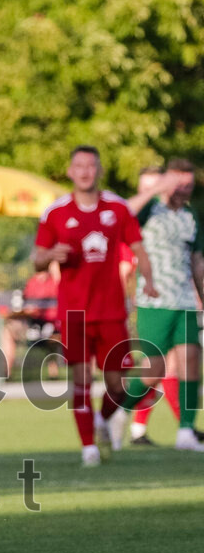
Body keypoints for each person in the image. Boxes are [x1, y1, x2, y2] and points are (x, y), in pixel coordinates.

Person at [34, 145, 156, 467]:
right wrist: (49, 256)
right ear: (70, 171)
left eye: (91, 165)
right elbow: (36, 258)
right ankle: (88, 446)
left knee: (118, 386)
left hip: (112, 311)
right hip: (73, 313)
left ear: (99, 170)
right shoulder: (55, 212)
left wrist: (151, 281)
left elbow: (139, 247)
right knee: (81, 381)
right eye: (79, 166)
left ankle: (101, 421)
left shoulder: (117, 208)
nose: (86, 171)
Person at [114, 159, 204, 452]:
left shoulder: (190, 215)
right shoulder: (150, 209)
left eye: (188, 186)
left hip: (184, 301)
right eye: (179, 184)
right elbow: (120, 212)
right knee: (153, 368)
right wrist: (157, 189)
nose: (183, 191)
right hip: (154, 301)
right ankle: (118, 413)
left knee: (191, 362)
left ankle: (186, 432)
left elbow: (197, 260)